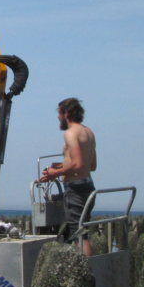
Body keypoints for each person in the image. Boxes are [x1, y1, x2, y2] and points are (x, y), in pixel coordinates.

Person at [39, 97, 97, 243]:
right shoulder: (88, 132)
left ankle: (84, 265)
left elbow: (78, 164)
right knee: (81, 230)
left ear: (67, 113)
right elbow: (91, 165)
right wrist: (59, 166)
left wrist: (54, 173)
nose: (58, 117)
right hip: (88, 186)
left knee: (78, 234)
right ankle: (85, 265)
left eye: (59, 113)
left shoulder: (70, 133)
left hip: (75, 190)